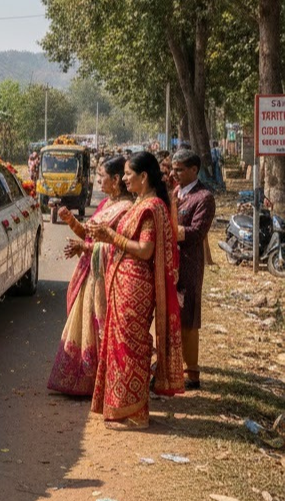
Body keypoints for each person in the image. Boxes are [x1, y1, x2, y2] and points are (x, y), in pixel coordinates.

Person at [86, 151, 184, 429]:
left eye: (129, 174)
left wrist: (111, 237)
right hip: (123, 282)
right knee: (119, 345)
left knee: (132, 346)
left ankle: (137, 413)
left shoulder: (151, 207)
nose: (125, 178)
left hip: (136, 286)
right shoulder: (141, 203)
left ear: (144, 176)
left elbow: (145, 249)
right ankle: (123, 407)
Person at [47, 156, 133, 395]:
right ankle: (79, 378)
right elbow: (88, 233)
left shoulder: (126, 209)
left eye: (101, 176)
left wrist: (85, 248)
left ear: (116, 180)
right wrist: (69, 219)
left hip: (105, 277)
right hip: (90, 275)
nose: (98, 181)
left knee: (100, 326)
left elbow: (118, 246)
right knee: (83, 326)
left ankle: (97, 381)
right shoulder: (106, 204)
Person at [170, 149, 216, 390]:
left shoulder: (204, 197)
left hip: (189, 263)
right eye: (172, 168)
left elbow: (197, 232)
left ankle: (192, 373)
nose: (173, 173)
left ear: (194, 170)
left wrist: (169, 230)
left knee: (188, 315)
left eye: (179, 169)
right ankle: (171, 366)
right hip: (170, 263)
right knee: (171, 312)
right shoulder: (175, 193)